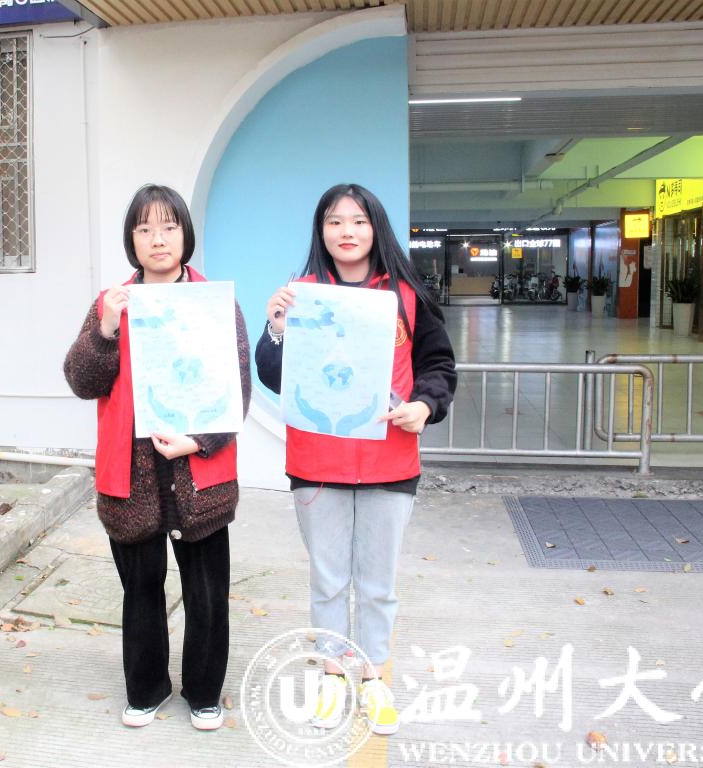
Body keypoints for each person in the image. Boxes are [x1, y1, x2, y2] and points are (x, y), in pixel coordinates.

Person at [254, 183, 456, 736]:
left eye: (359, 221)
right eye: (335, 221)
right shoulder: (301, 296)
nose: (347, 231)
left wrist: (424, 405)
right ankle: (330, 676)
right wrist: (275, 330)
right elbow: (273, 376)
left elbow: (439, 365)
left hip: (390, 463)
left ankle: (372, 678)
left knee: (377, 585)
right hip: (317, 465)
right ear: (321, 231)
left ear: (375, 228)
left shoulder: (407, 295)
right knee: (328, 582)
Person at [63, 184, 251, 732]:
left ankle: (204, 692)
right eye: (144, 229)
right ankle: (145, 689)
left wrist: (201, 441)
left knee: (207, 595)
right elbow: (81, 381)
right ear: (132, 240)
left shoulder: (215, 302)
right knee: (141, 592)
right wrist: (104, 330)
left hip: (199, 474)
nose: (157, 239)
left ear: (185, 234)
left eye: (169, 226)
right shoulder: (113, 303)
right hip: (134, 476)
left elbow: (237, 386)